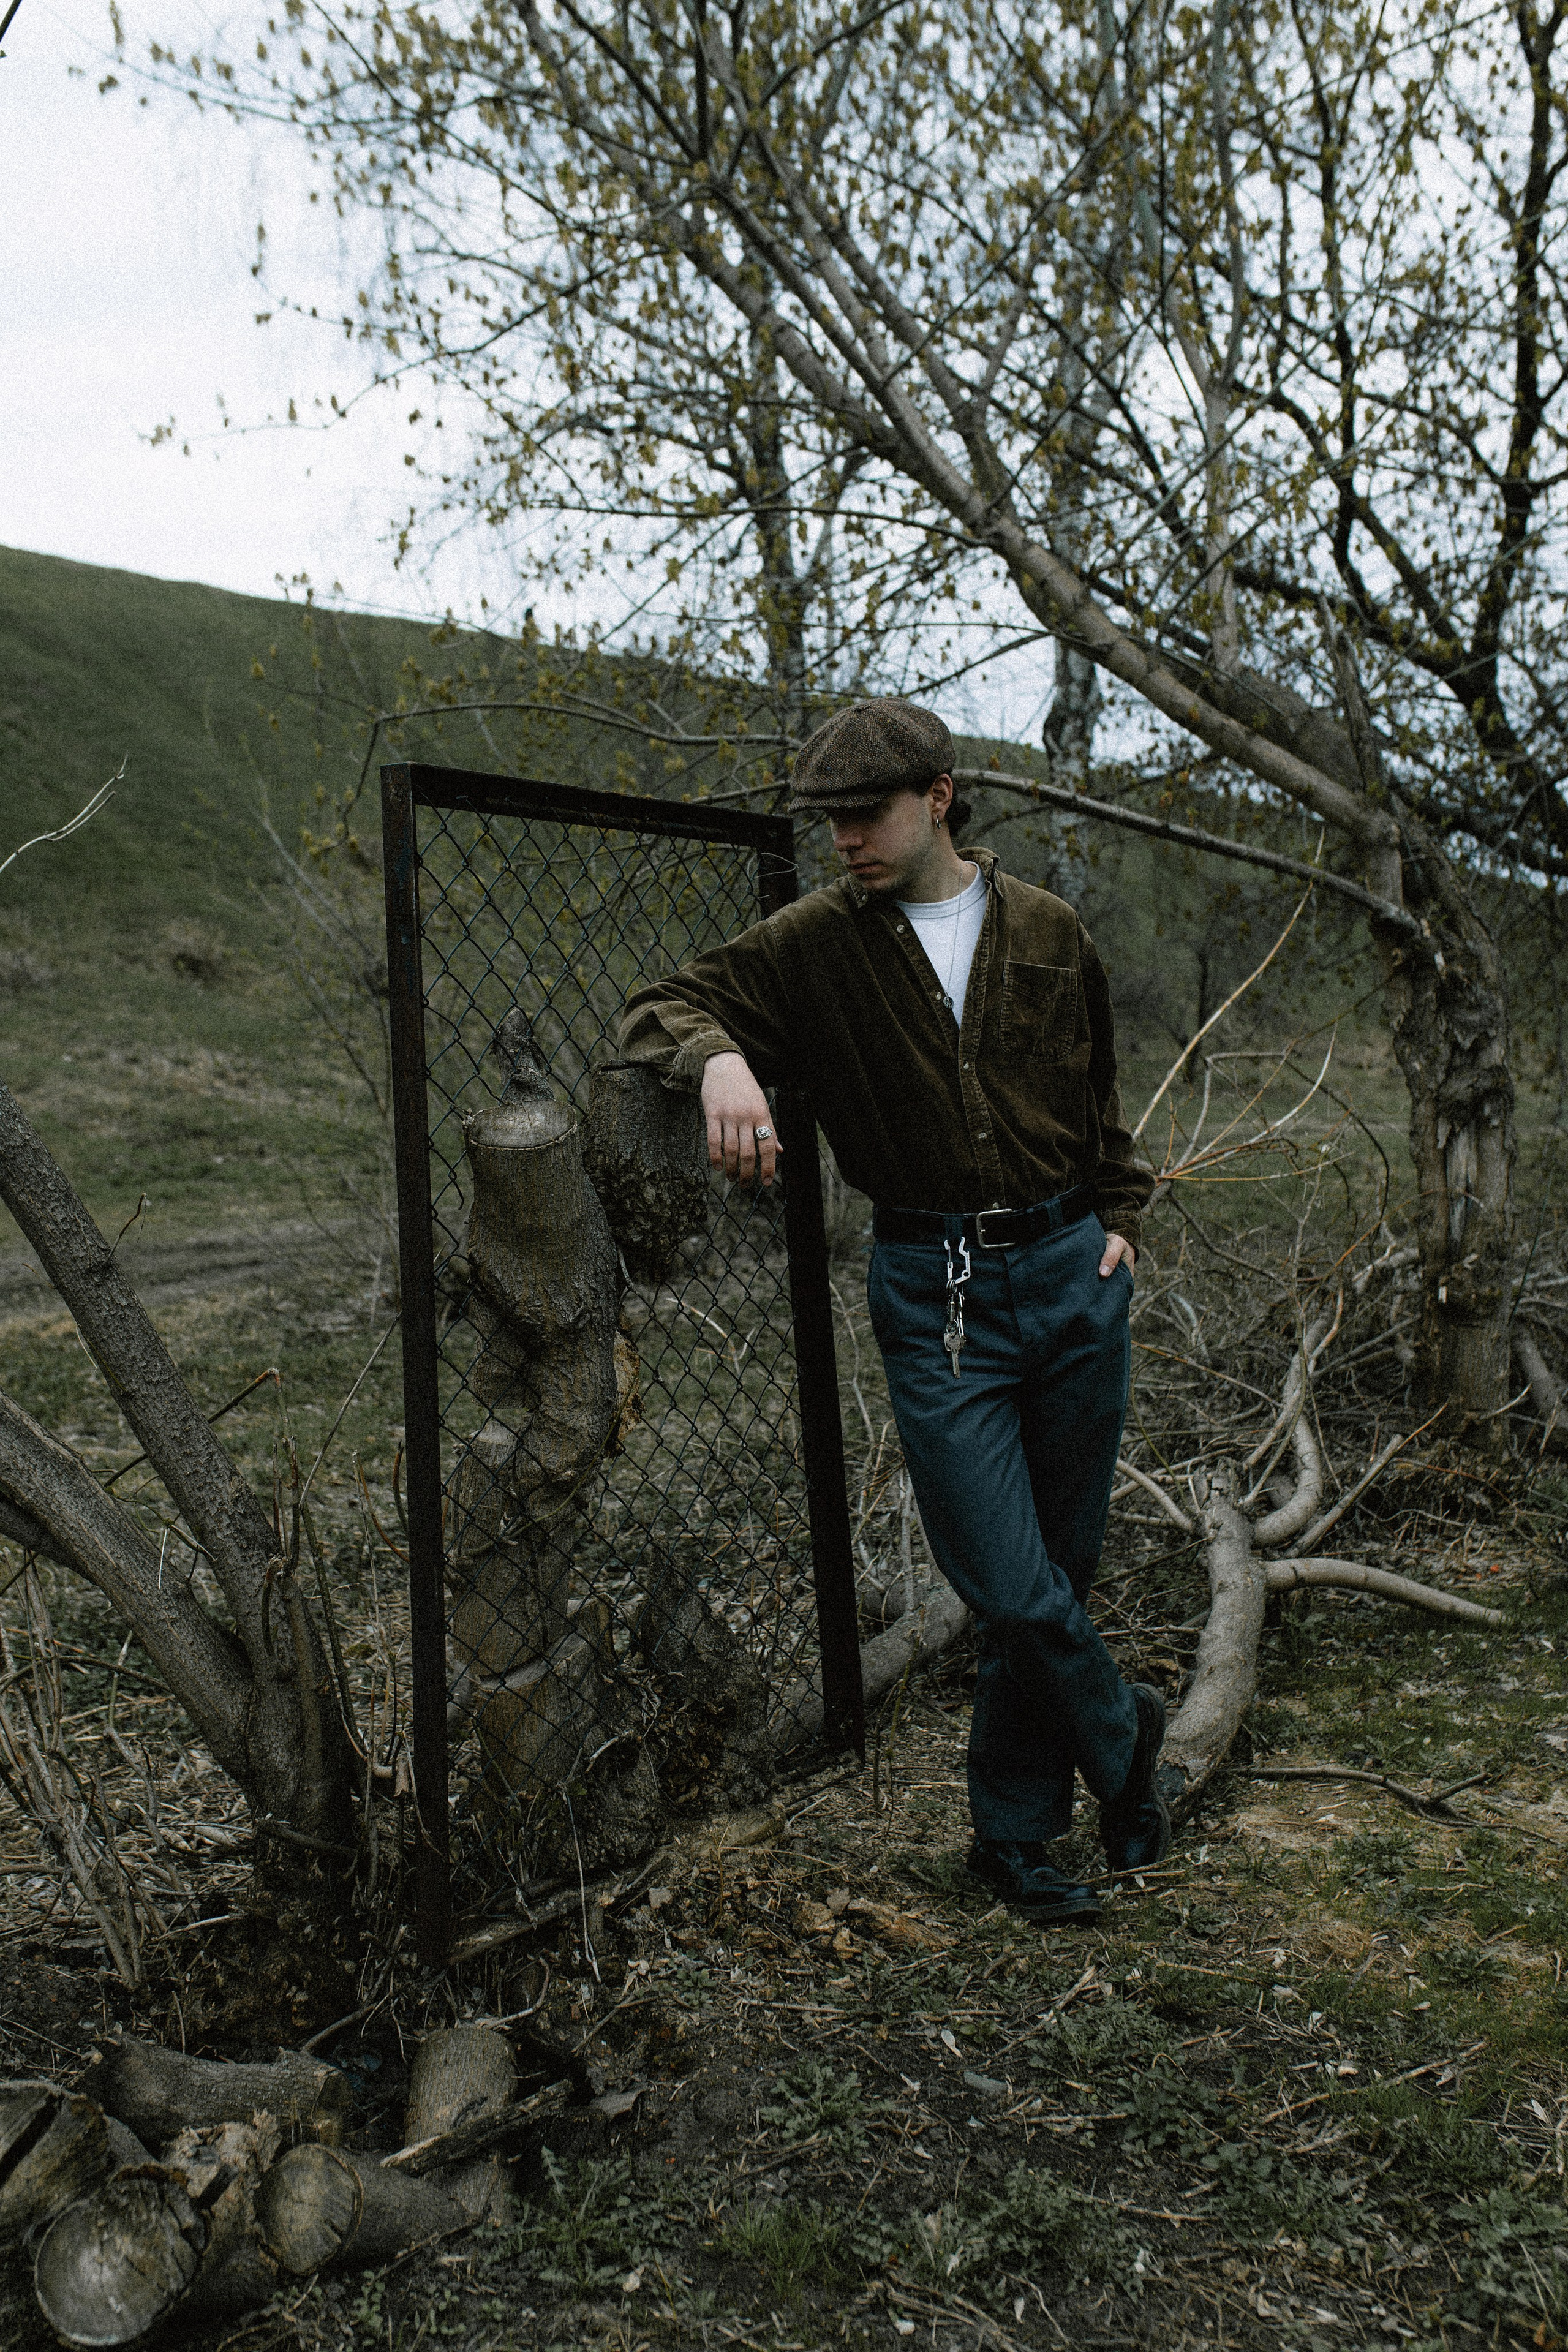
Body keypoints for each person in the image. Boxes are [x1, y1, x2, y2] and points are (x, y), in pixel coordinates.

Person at [619, 698, 1166, 1924]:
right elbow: (659, 1003)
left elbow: (1096, 1099)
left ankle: (1013, 1839)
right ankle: (1127, 1745)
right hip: (938, 1296)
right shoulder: (815, 943)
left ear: (939, 797)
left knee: (1057, 1575)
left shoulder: (1048, 930)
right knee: (1011, 1583)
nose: (844, 841)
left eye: (864, 815)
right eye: (827, 822)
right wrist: (717, 1062)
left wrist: (1121, 1219)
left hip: (1074, 1272)